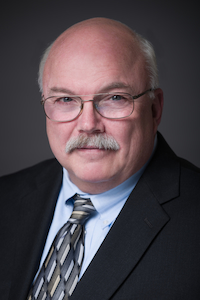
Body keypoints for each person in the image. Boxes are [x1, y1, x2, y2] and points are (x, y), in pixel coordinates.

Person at [0, 17, 200, 300]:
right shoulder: (6, 198)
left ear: (154, 109)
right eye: (65, 100)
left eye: (115, 98)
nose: (88, 124)